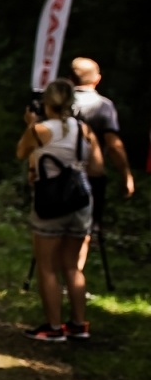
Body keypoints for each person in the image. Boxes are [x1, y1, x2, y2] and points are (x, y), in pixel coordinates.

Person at [17, 78, 105, 342]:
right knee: (73, 267)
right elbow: (97, 169)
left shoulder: (40, 130)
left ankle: (53, 327)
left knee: (47, 266)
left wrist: (30, 124)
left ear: (47, 103)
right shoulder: (85, 130)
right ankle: (79, 324)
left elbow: (21, 152)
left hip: (50, 203)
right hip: (80, 202)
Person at [70, 58, 136, 279]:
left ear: (70, 78)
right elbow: (114, 144)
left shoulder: (57, 102)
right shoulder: (103, 106)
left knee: (56, 228)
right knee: (84, 230)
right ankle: (74, 276)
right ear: (97, 79)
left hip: (55, 174)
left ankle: (55, 274)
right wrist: (125, 174)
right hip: (91, 175)